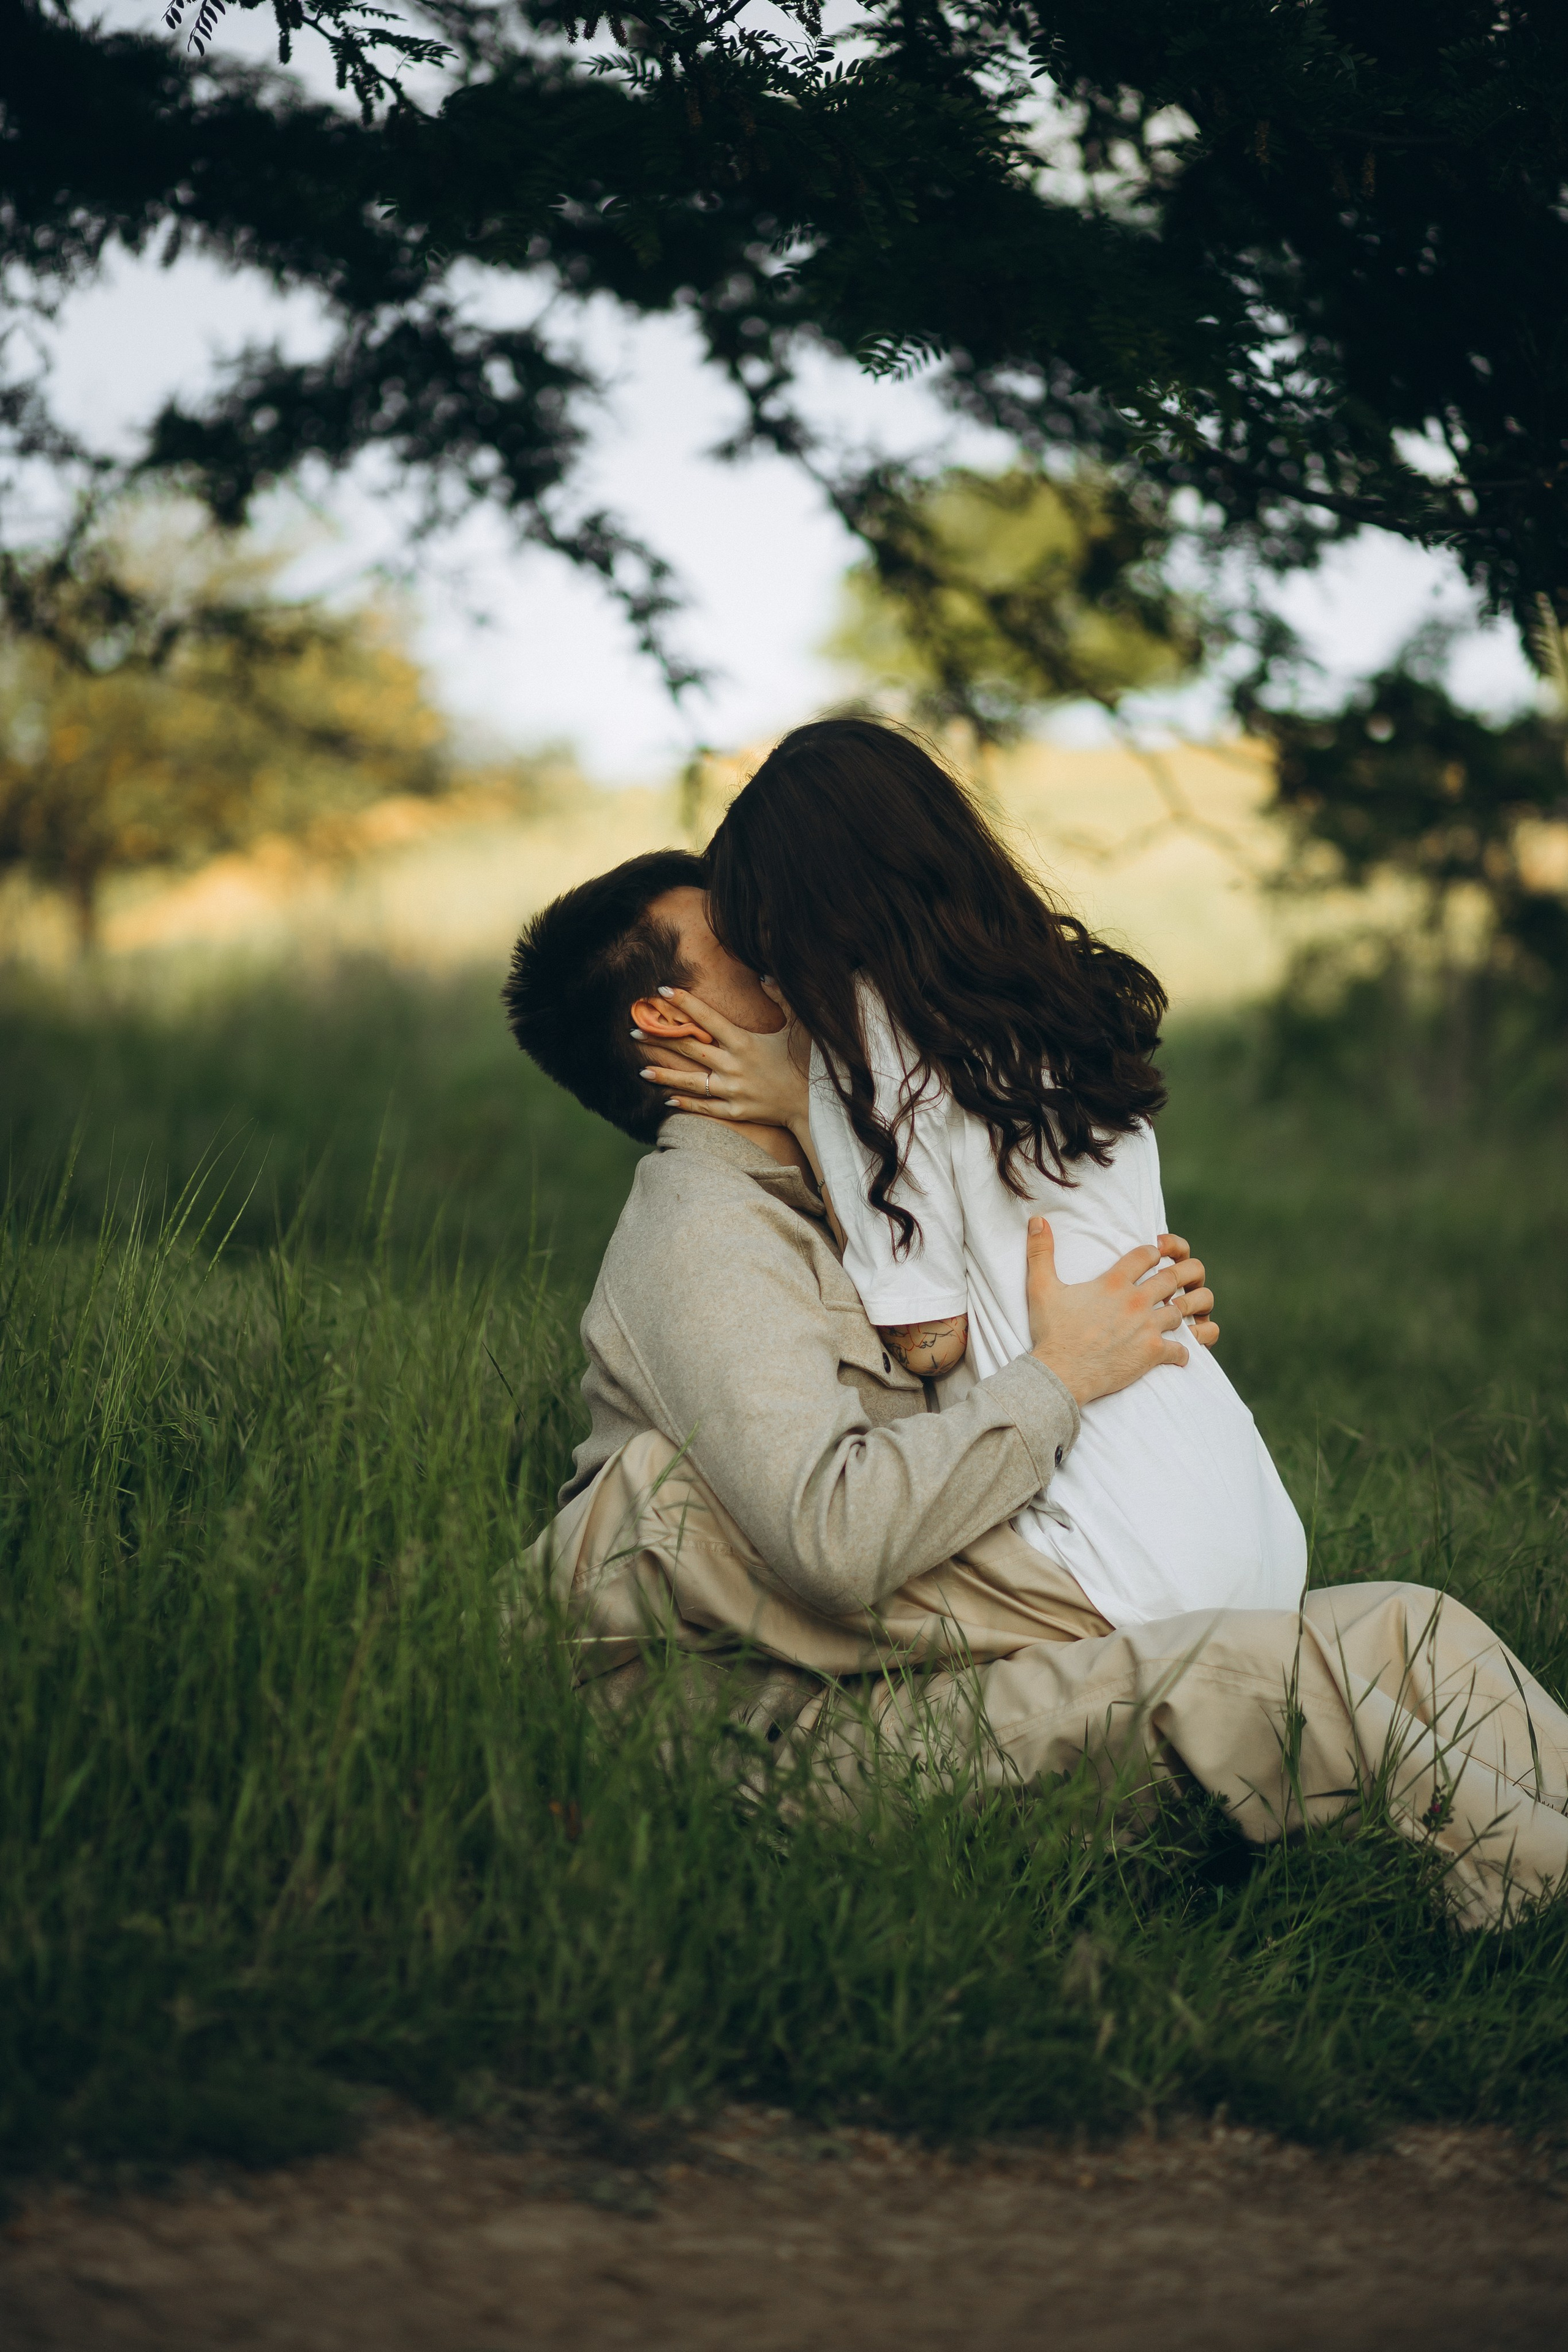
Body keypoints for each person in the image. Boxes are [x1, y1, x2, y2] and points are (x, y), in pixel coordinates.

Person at [503, 842, 1568, 1929]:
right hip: (795, 1741)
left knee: (1409, 1631)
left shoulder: (835, 1191)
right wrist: (1063, 1375)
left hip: (921, 1665)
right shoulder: (707, 1238)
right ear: (673, 1028)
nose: (797, 959)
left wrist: (1130, 1318)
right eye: (750, 953)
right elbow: (832, 1537)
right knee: (1275, 1682)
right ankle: (1545, 1919)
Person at [643, 716, 1305, 1632]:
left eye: (768, 949)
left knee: (771, 1569)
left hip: (1125, 1536)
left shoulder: (869, 1052)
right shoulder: (1052, 998)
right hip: (1247, 1513)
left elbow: (929, 1344)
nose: (777, 985)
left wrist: (810, 1111)